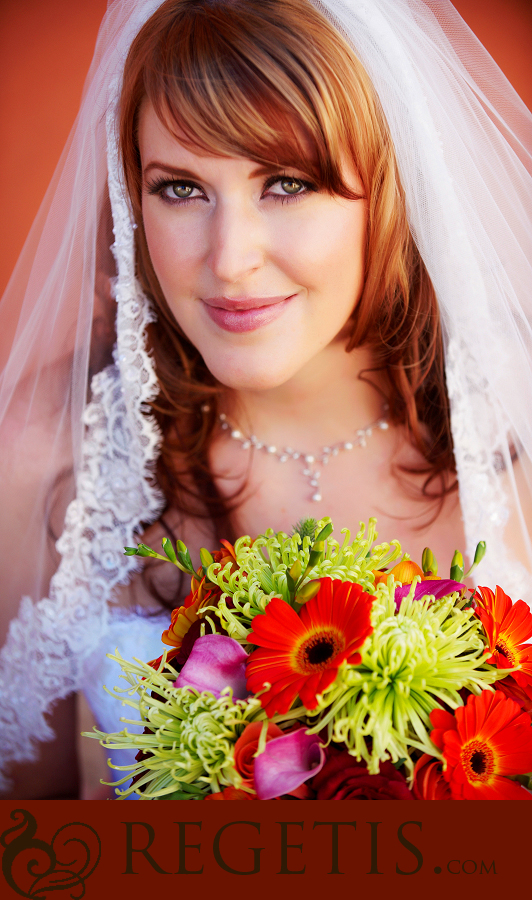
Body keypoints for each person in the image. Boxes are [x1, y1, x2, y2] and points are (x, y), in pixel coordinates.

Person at [1, 0, 531, 799]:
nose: (230, 259)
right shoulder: (46, 460)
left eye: (286, 183)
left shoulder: (515, 452)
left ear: (392, 188)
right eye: (180, 188)